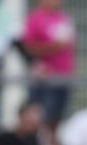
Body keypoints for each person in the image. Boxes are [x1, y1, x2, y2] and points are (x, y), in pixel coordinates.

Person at [22, 0, 76, 129]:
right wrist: (54, 47)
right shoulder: (35, 18)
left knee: (57, 119)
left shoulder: (64, 18)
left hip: (63, 77)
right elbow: (29, 48)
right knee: (40, 118)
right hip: (44, 79)